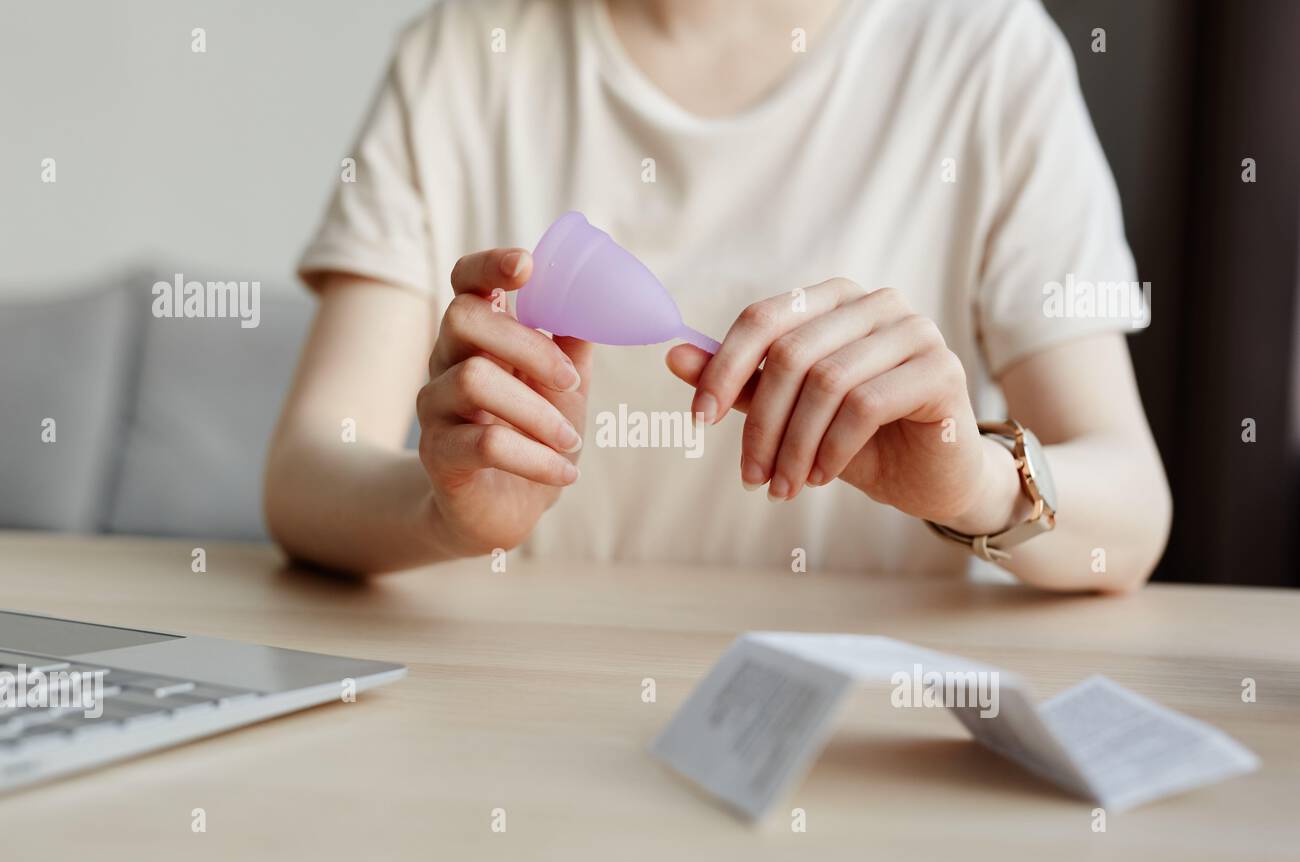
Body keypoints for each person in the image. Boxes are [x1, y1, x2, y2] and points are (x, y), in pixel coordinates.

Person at [264, 0, 1171, 591]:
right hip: (525, 716)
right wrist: (446, 516)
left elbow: (1131, 515)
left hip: (861, 741)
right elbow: (305, 474)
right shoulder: (462, 55)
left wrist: (968, 478)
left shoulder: (986, 55)